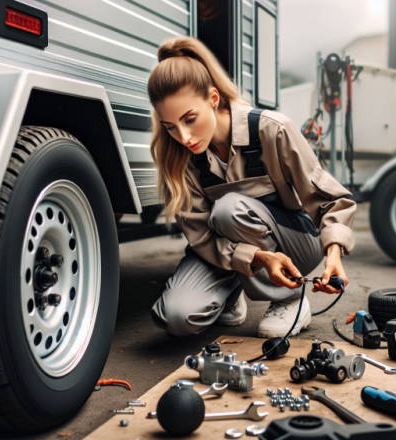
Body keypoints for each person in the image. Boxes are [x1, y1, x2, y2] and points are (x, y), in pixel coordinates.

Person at [148, 37, 356, 338]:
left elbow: (330, 200)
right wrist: (258, 258)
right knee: (176, 317)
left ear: (214, 98)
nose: (184, 137)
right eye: (170, 127)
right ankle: (231, 296)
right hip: (227, 251)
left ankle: (290, 300)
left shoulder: (272, 129)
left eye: (189, 119)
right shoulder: (177, 157)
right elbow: (201, 237)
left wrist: (334, 253)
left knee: (228, 210)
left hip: (296, 243)